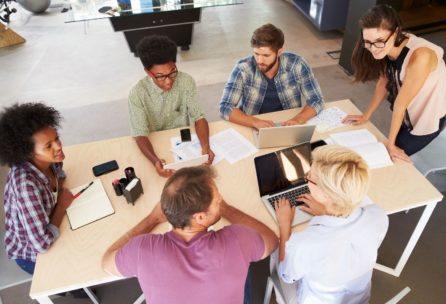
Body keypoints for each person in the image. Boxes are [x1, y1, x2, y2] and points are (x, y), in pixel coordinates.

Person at [102, 166, 278, 303]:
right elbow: (270, 241)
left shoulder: (142, 249)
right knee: (243, 267)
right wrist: (226, 209)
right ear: (200, 217)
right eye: (218, 200)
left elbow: (106, 262)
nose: (221, 200)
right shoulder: (237, 240)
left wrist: (152, 219)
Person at [275, 145, 388, 304]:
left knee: (276, 253)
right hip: (359, 298)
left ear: (327, 195)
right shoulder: (378, 215)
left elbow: (286, 275)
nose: (306, 176)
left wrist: (284, 224)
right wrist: (326, 211)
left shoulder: (307, 243)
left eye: (309, 177)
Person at [343, 4, 446, 161]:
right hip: (408, 115)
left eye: (378, 41)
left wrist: (390, 145)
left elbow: (400, 104)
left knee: (387, 157)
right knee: (386, 151)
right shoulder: (389, 45)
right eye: (368, 42)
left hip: (426, 121)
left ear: (396, 33)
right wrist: (366, 115)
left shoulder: (421, 57)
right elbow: (384, 80)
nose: (373, 49)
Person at [0, 103, 74, 275]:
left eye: (56, 138)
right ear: (27, 153)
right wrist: (61, 205)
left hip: (46, 225)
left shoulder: (49, 161)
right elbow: (41, 245)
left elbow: (60, 174)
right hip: (33, 257)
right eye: (48, 146)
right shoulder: (25, 186)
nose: (58, 146)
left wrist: (59, 186)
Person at [129, 35, 215, 178]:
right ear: (147, 72)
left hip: (183, 144)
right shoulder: (137, 94)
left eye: (172, 72)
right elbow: (140, 134)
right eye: (161, 76)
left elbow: (198, 117)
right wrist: (155, 160)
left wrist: (205, 146)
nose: (168, 81)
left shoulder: (186, 81)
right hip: (155, 144)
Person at [219, 23, 324, 128]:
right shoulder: (243, 68)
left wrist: (298, 120)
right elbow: (225, 107)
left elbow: (317, 100)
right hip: (253, 124)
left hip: (288, 122)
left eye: (266, 55)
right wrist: (254, 122)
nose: (260, 60)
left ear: (279, 52)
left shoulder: (297, 64)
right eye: (256, 54)